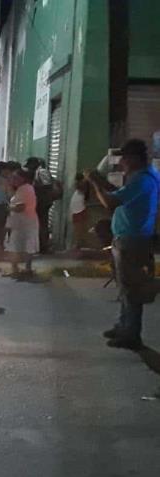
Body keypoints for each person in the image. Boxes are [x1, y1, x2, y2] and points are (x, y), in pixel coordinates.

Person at [86, 139, 159, 350]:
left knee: (131, 288)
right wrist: (100, 181)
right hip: (129, 237)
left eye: (125, 159)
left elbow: (110, 202)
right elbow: (117, 194)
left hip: (132, 240)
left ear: (135, 159)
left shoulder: (142, 180)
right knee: (125, 286)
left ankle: (131, 334)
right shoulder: (142, 177)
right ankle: (123, 325)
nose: (122, 163)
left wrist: (94, 182)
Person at [4, 169, 40, 278]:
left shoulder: (25, 190)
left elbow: (21, 207)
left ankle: (19, 270)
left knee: (19, 246)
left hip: (24, 222)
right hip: (23, 223)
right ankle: (22, 269)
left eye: (15, 178)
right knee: (21, 246)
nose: (13, 180)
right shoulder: (23, 189)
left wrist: (8, 207)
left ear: (22, 178)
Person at [69, 172, 91, 250]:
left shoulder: (83, 186)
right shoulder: (80, 188)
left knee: (79, 229)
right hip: (77, 210)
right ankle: (79, 244)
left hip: (79, 210)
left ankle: (79, 244)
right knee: (78, 229)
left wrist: (85, 179)